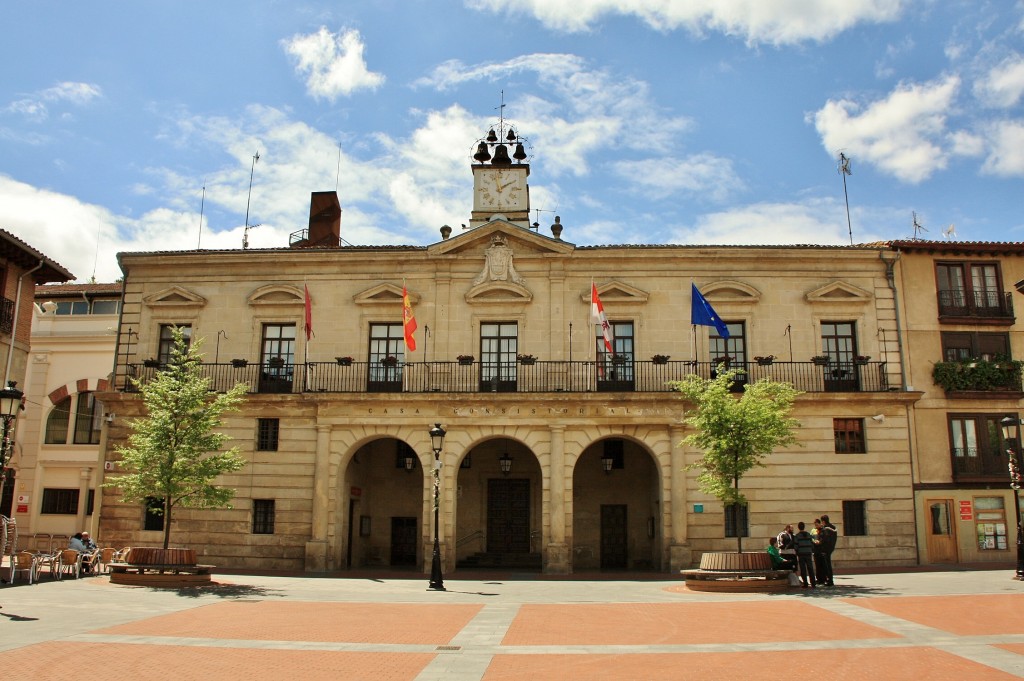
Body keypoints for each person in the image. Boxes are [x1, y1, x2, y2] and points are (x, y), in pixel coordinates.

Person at [793, 521, 817, 588]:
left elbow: (796, 546)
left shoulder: (797, 536)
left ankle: (805, 583)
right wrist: (811, 550)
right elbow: (812, 544)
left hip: (801, 554)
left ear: (798, 527)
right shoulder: (809, 535)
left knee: (803, 569)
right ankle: (813, 583)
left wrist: (797, 552)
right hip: (808, 553)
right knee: (810, 568)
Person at [818, 514, 838, 586]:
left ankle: (829, 580)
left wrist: (819, 542)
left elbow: (824, 539)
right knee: (828, 564)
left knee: (827, 565)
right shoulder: (833, 527)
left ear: (823, 521)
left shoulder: (826, 529)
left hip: (825, 549)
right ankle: (829, 579)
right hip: (831, 547)